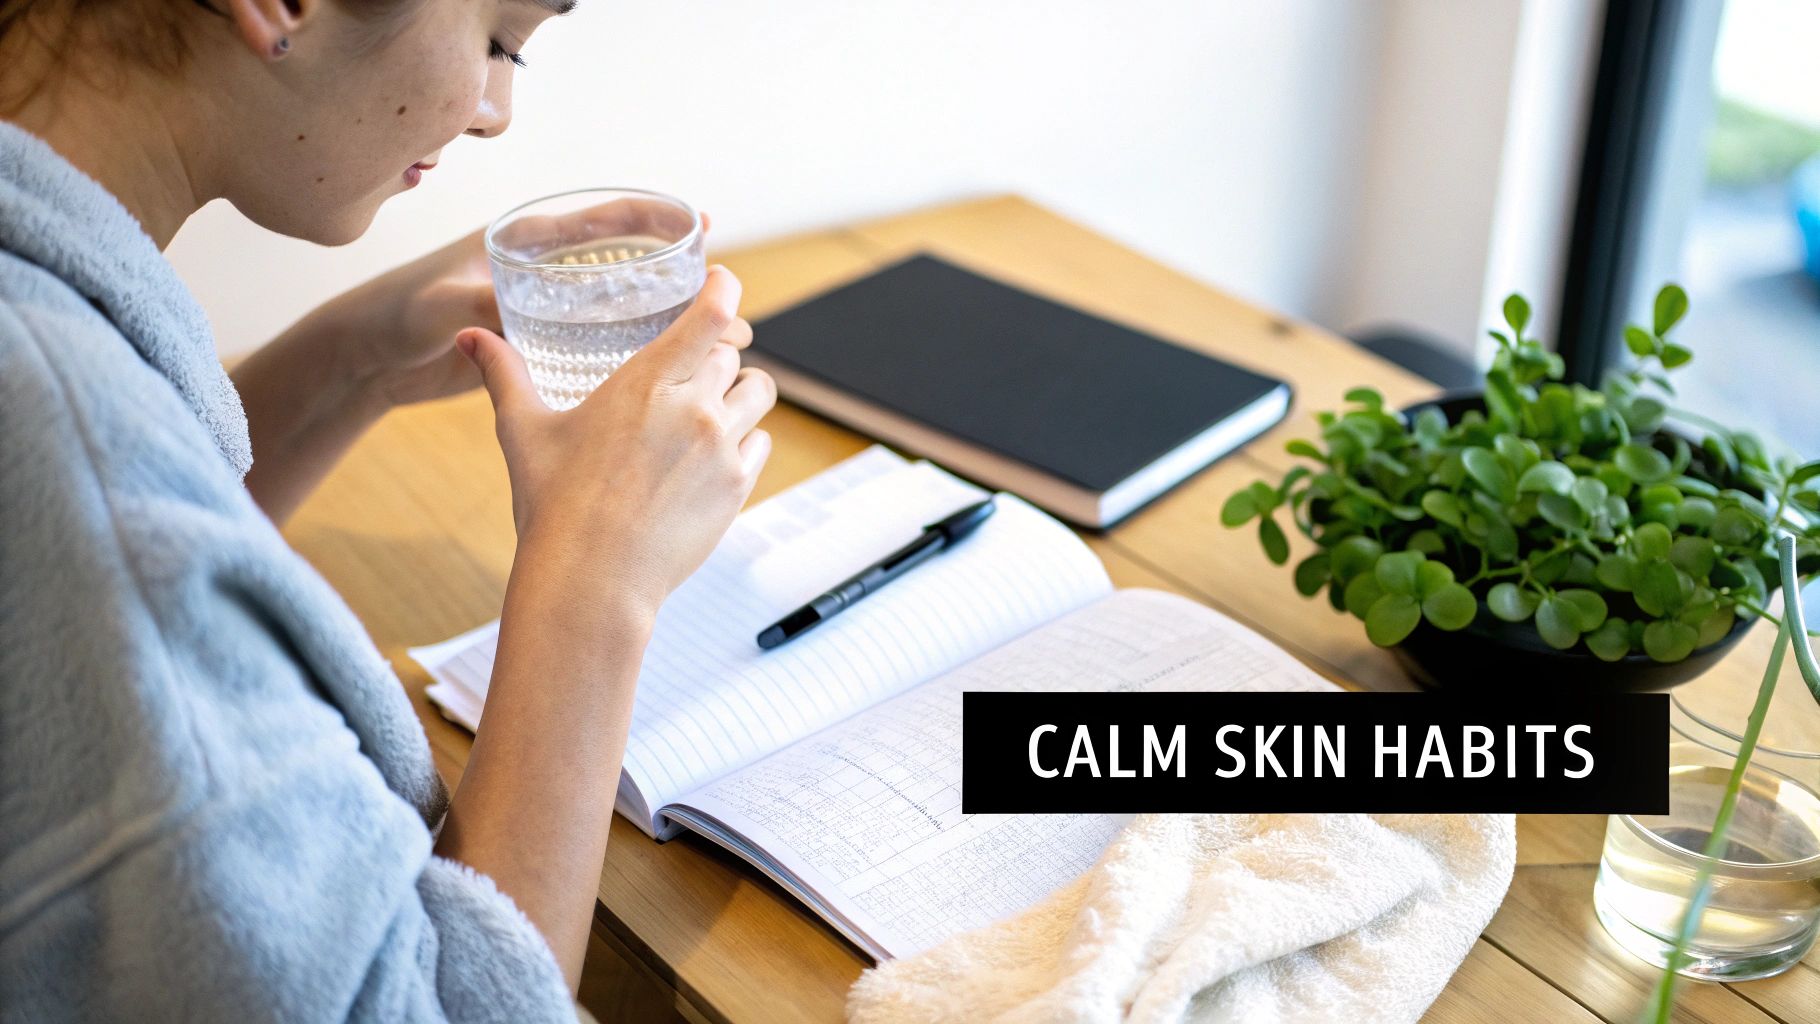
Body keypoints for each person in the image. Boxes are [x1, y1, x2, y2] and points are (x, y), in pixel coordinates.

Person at [0, 0, 775, 1019]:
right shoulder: (60, 430)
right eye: (499, 39)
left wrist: (350, 359)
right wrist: (595, 578)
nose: (496, 108)